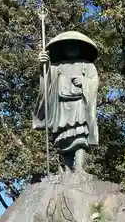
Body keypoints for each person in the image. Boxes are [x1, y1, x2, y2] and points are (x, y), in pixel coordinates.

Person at [32, 31, 99, 172]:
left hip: (78, 105)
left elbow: (94, 83)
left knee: (80, 135)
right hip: (61, 107)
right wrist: (43, 65)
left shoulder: (87, 66)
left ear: (81, 48)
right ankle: (68, 168)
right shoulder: (56, 67)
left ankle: (80, 168)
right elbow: (46, 83)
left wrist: (84, 81)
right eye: (67, 45)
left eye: (74, 45)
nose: (71, 48)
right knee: (63, 137)